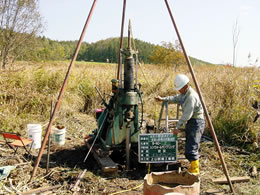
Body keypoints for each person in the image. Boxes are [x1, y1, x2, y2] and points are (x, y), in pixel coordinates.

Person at [155, 74, 205, 175]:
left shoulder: (191, 97)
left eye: (179, 88)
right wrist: (163, 99)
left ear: (186, 86)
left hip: (196, 122)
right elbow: (176, 98)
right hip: (193, 121)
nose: (178, 91)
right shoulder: (185, 94)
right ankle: (193, 167)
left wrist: (178, 127)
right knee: (189, 145)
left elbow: (187, 115)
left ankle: (195, 169)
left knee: (192, 146)